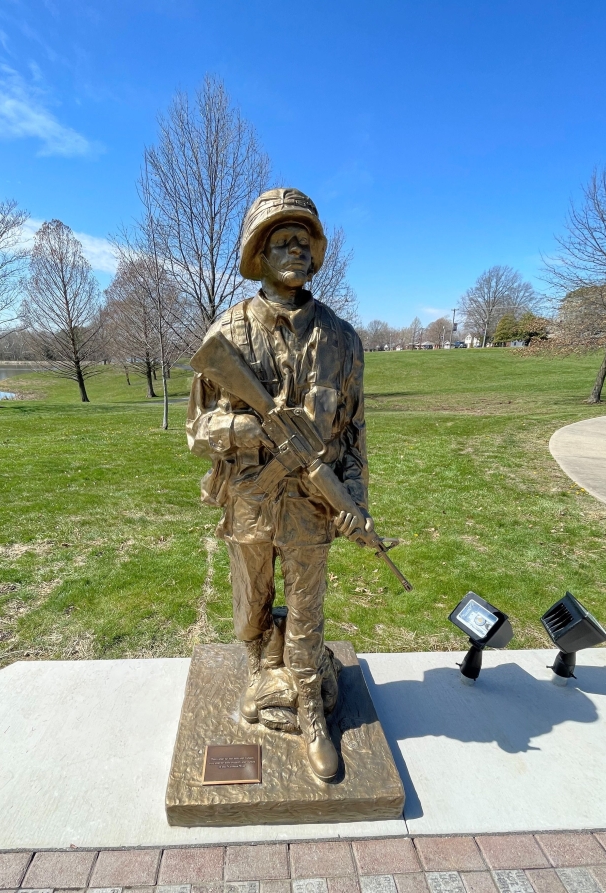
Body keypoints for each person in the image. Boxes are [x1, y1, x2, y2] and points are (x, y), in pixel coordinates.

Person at [186, 188, 373, 781]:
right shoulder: (229, 334)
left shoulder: (342, 340)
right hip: (248, 501)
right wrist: (247, 428)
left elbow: (354, 434)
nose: (295, 251)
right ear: (259, 255)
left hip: (313, 509)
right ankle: (261, 672)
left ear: (316, 254)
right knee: (249, 614)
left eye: (303, 241)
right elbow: (196, 430)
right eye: (281, 242)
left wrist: (355, 503)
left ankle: (311, 706)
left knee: (310, 617)